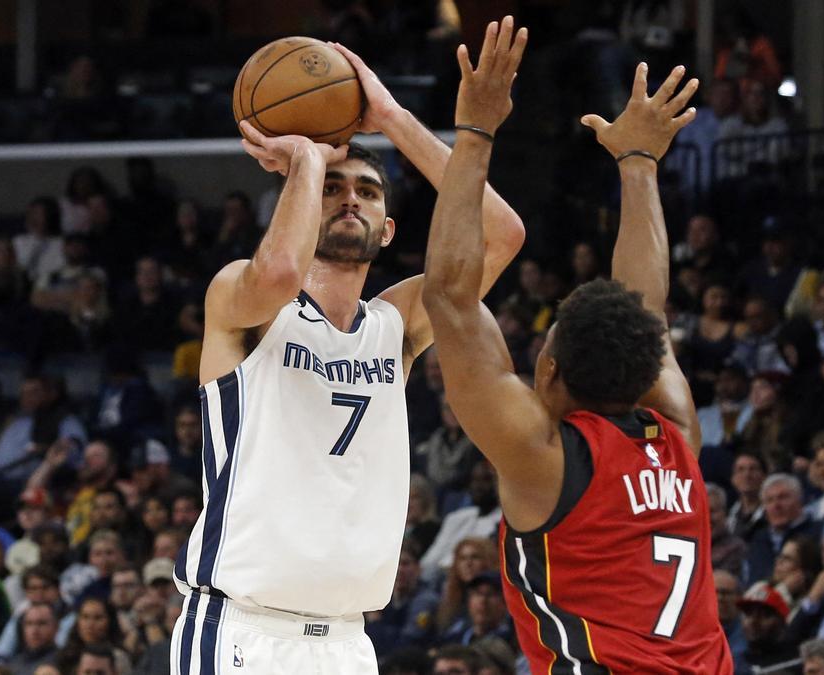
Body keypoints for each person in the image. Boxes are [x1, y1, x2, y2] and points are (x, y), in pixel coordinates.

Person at [168, 20, 525, 675]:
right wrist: (308, 159)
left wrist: (389, 117)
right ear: (299, 207)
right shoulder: (240, 301)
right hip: (242, 627)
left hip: (347, 641)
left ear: (389, 229)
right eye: (334, 188)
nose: (350, 198)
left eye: (366, 190)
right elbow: (278, 272)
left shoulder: (396, 325)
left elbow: (501, 234)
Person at [422, 26, 730, 667]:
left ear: (551, 369)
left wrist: (474, 132)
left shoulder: (545, 459)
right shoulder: (676, 435)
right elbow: (646, 311)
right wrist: (640, 163)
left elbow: (451, 296)